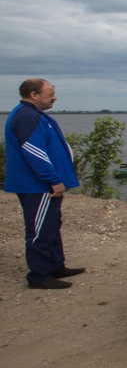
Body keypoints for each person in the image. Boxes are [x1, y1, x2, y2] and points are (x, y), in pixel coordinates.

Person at [4, 79, 84, 289]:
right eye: (51, 94)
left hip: (42, 185)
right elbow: (34, 152)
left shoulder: (33, 115)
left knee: (50, 226)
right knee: (39, 229)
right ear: (34, 94)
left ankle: (56, 266)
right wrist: (53, 180)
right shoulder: (27, 116)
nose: (55, 97)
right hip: (37, 186)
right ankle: (39, 276)